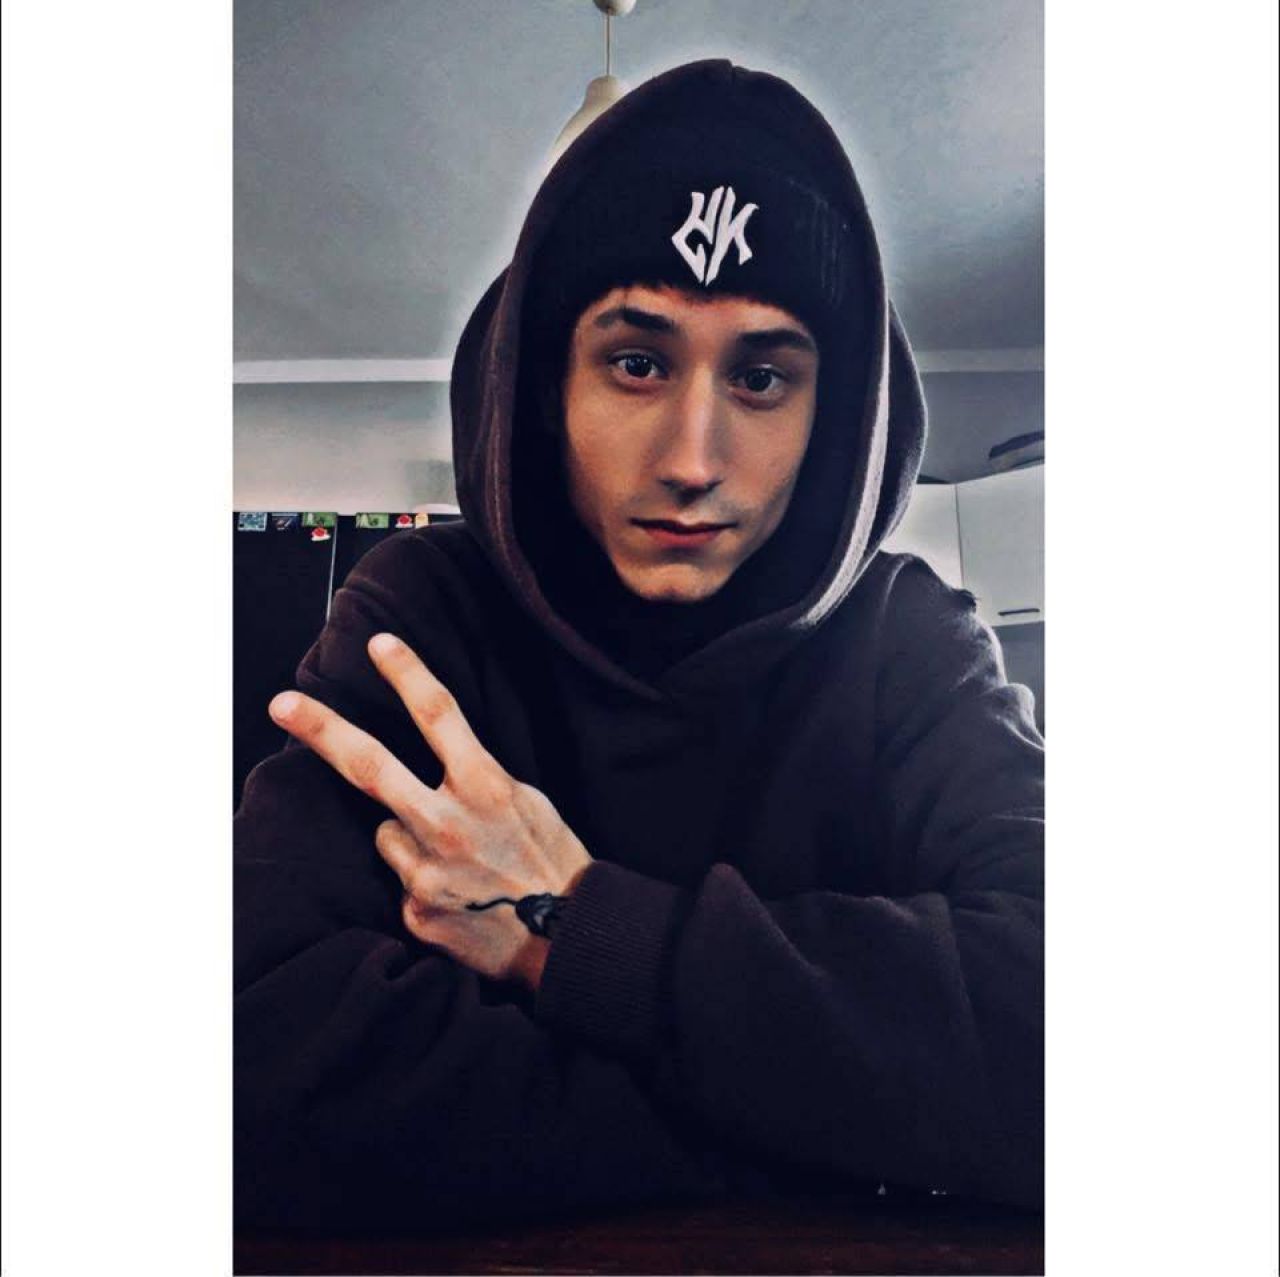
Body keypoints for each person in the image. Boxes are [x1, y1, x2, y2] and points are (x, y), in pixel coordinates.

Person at [234, 58, 1044, 1230]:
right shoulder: (423, 611)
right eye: (636, 361)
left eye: (760, 376)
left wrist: (575, 926)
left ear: (831, 415)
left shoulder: (910, 637)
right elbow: (255, 1050)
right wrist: (847, 1116)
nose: (689, 459)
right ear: (543, 385)